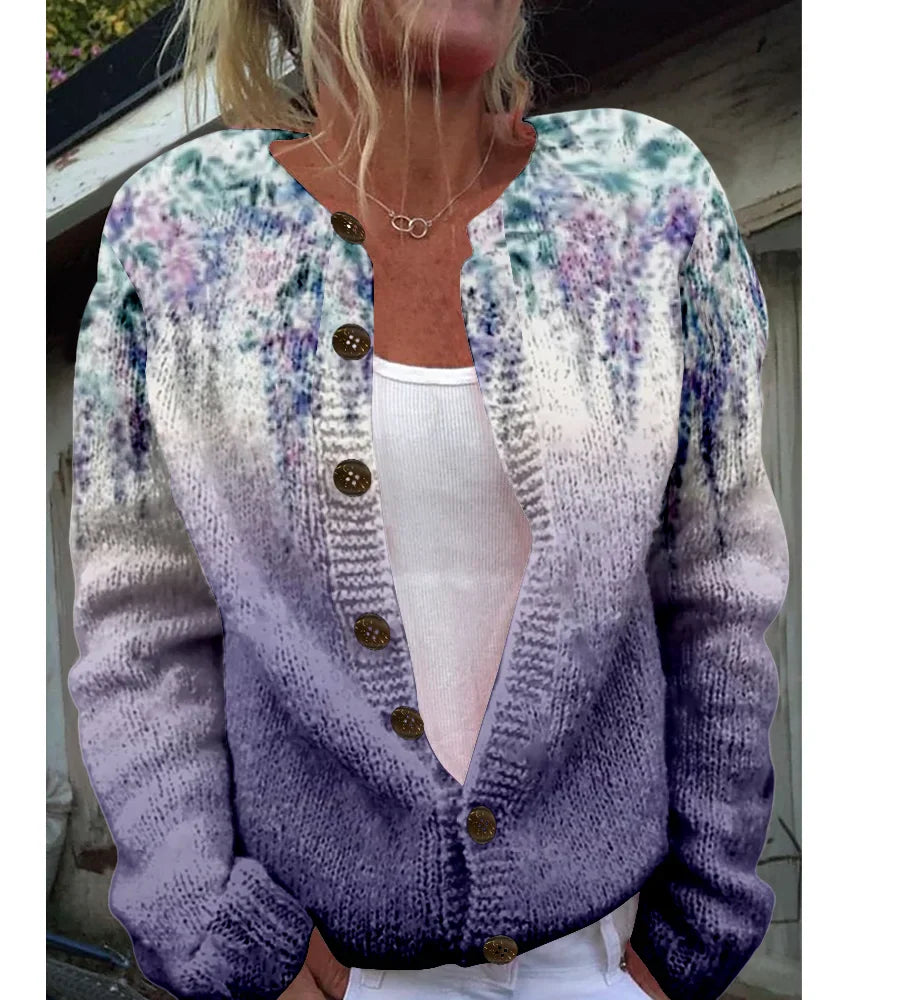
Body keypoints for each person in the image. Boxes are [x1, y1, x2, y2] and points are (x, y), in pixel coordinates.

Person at [67, 2, 790, 1000]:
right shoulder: (182, 229)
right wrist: (212, 931)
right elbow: (141, 630)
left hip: (604, 965)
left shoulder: (643, 192)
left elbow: (720, 587)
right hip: (313, 972)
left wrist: (693, 933)